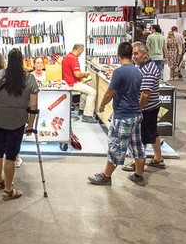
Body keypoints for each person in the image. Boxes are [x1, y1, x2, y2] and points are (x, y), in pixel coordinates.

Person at [88, 42, 146, 186]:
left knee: (116, 147)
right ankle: (139, 175)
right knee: (138, 146)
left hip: (123, 116)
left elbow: (110, 92)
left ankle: (106, 176)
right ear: (131, 54)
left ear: (118, 55)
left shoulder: (119, 72)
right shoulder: (138, 71)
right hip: (136, 114)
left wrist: (101, 105)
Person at [0, 48, 38, 200]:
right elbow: (33, 105)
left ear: (7, 60)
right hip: (17, 120)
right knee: (11, 155)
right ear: (21, 60)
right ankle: (8, 190)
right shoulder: (29, 78)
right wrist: (30, 124)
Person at [122, 41, 165, 172]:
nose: (133, 56)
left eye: (136, 53)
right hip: (151, 107)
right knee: (152, 133)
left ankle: (137, 165)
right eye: (132, 53)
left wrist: (137, 109)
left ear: (145, 55)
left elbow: (145, 95)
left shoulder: (148, 70)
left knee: (140, 138)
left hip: (147, 109)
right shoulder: (143, 66)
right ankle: (158, 159)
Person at [62, 44, 98, 123]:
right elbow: (77, 74)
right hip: (71, 84)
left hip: (67, 82)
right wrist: (85, 74)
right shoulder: (73, 59)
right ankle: (87, 115)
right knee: (92, 92)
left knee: (85, 90)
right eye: (81, 52)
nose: (81, 54)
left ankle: (82, 110)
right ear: (79, 50)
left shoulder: (67, 56)